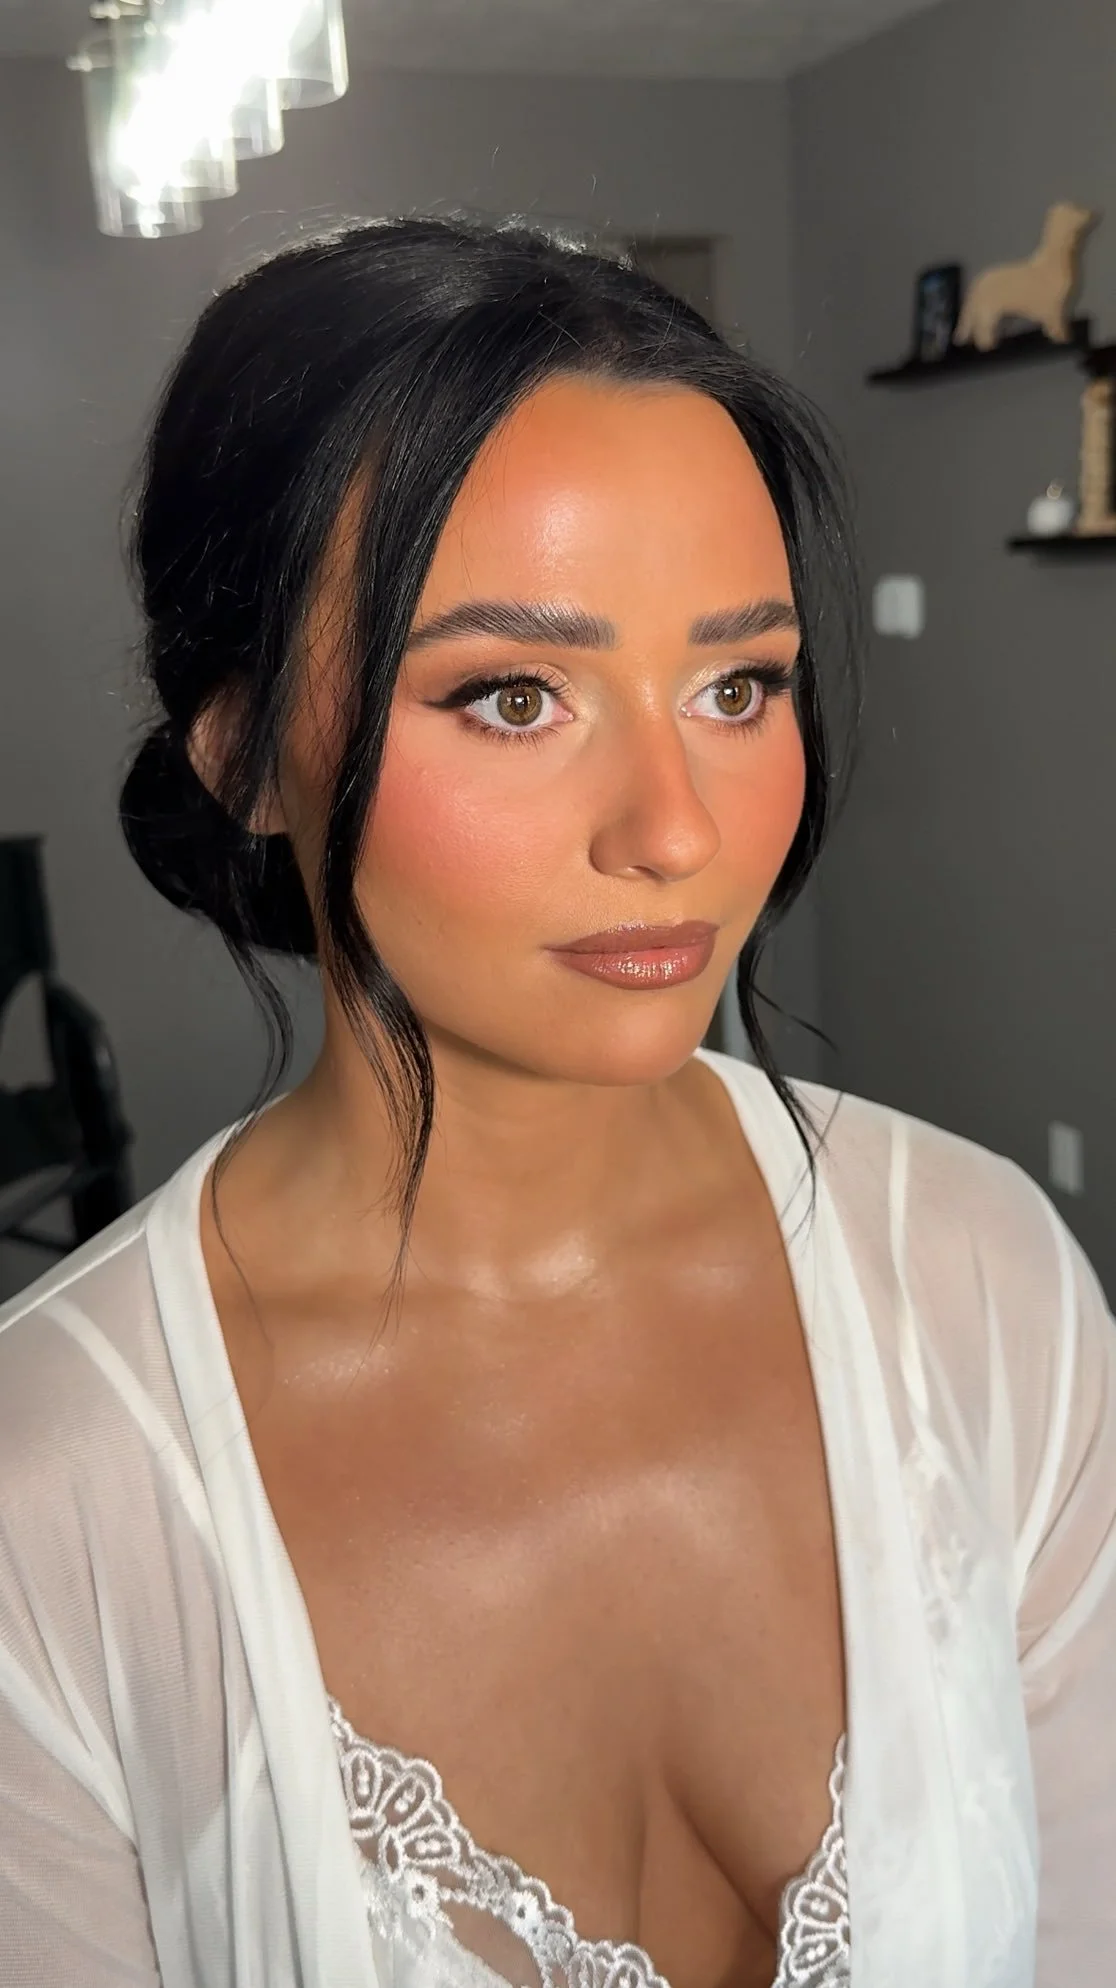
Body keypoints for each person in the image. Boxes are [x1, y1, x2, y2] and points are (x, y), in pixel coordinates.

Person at [0, 216, 1112, 1988]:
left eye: (738, 686)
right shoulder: (51, 1503)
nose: (677, 829)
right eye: (515, 696)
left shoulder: (985, 1286)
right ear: (242, 751)